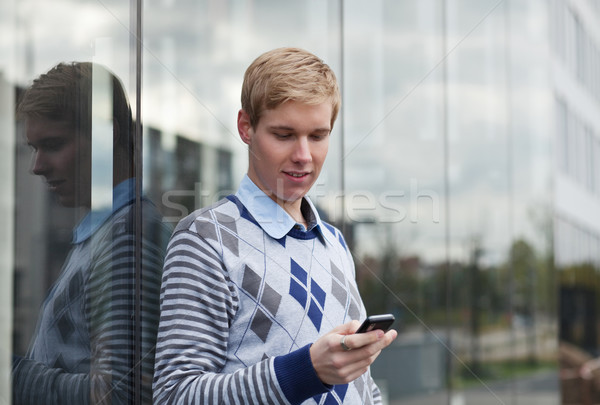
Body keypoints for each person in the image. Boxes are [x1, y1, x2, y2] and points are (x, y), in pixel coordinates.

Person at [152, 47, 397, 404]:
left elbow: (363, 387)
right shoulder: (205, 240)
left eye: (317, 136)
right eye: (283, 135)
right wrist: (305, 372)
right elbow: (175, 395)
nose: (303, 155)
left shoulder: (334, 242)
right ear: (245, 127)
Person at [13, 62, 171, 404]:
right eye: (34, 148)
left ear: (104, 135)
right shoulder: (108, 233)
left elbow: (124, 393)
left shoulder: (126, 239)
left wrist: (10, 375)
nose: (37, 166)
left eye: (53, 145)